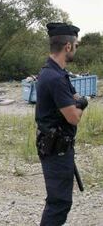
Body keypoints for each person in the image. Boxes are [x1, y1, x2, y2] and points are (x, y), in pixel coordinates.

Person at [35, 22, 87, 226]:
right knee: (59, 202)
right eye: (76, 45)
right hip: (56, 148)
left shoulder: (54, 72)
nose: (76, 49)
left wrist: (77, 101)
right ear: (68, 46)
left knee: (60, 201)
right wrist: (83, 103)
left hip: (57, 145)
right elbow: (73, 116)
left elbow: (71, 97)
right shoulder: (55, 77)